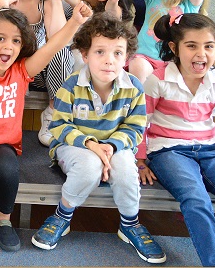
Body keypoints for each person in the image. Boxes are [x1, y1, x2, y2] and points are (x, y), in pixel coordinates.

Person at [0, 0, 91, 252]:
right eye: (0, 38)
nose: (8, 46)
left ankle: (3, 220)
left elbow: (52, 47)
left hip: (3, 143)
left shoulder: (21, 71)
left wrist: (75, 22)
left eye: (16, 40)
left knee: (8, 168)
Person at [31, 13, 165, 264]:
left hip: (115, 147)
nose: (109, 60)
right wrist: (92, 145)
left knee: (126, 169)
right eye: (100, 52)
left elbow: (136, 128)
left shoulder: (134, 87)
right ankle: (63, 215)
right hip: (74, 146)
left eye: (117, 53)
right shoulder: (71, 85)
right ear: (85, 55)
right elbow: (59, 126)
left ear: (127, 57)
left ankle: (130, 223)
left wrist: (110, 147)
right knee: (89, 165)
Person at [138, 13, 215, 267]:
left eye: (208, 46)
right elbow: (140, 122)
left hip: (210, 149)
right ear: (175, 48)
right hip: (168, 150)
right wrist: (140, 160)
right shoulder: (158, 80)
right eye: (191, 46)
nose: (201, 54)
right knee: (197, 200)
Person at [0, 0, 75, 145]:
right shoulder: (6, 0)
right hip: (12, 70)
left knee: (61, 52)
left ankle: (53, 113)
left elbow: (59, 40)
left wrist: (56, 0)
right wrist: (0, 9)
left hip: (38, 73)